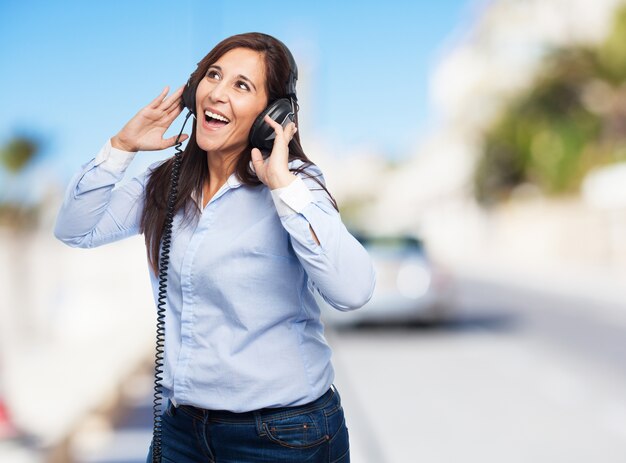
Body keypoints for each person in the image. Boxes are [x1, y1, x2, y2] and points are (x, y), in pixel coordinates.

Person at [54, 32, 375, 463]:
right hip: (181, 432)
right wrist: (121, 147)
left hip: (284, 437)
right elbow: (75, 229)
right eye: (213, 76)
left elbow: (353, 290)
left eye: (242, 86)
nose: (218, 94)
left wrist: (282, 186)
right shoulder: (164, 184)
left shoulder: (294, 185)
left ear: (271, 115)